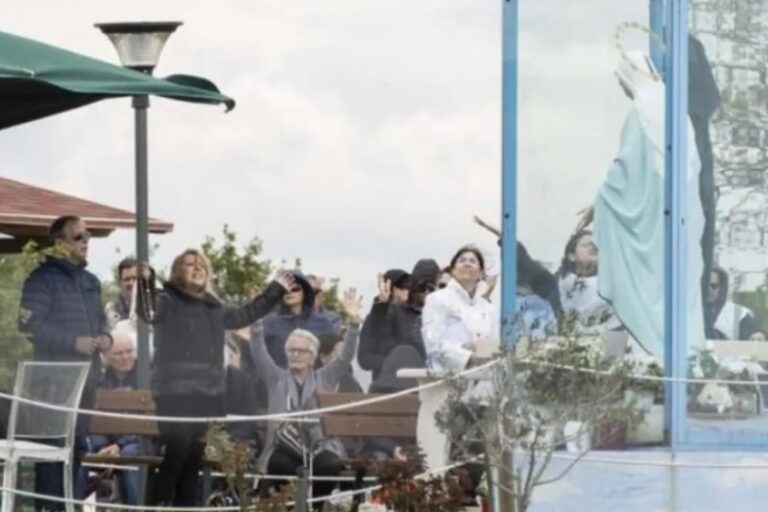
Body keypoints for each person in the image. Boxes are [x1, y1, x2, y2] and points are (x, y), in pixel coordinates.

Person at [135, 249, 294, 507]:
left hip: (207, 395)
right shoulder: (167, 299)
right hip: (174, 394)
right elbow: (147, 311)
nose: (198, 268)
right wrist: (145, 281)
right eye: (189, 264)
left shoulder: (214, 306)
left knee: (193, 459)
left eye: (201, 265)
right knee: (177, 452)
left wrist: (274, 290)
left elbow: (245, 314)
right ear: (177, 271)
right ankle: (155, 506)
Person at [585, 51, 705, 359]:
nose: (623, 89)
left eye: (621, 80)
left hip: (649, 222)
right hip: (678, 222)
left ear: (630, 73)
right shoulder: (679, 112)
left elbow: (625, 168)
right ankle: (679, 354)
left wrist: (600, 201)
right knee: (674, 293)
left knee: (647, 290)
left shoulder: (640, 110)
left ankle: (651, 354)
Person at [19, 215, 113, 510]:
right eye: (78, 237)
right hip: (52, 385)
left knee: (76, 453)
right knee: (51, 455)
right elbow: (27, 324)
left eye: (88, 236)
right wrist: (74, 342)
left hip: (86, 382)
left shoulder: (91, 282)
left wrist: (106, 339)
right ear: (60, 243)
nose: (86, 241)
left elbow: (102, 323)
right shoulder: (41, 278)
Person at [249, 289, 362, 503]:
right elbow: (258, 353)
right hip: (284, 446)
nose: (296, 355)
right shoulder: (275, 377)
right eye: (291, 350)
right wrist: (256, 319)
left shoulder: (325, 377)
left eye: (302, 351)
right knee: (280, 464)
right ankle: (290, 507)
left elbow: (346, 355)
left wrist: (354, 321)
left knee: (328, 464)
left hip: (320, 446)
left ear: (313, 356)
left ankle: (317, 506)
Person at [80, 331, 141, 505]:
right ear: (106, 356)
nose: (126, 357)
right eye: (119, 353)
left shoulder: (148, 377)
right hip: (108, 444)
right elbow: (94, 421)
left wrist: (119, 447)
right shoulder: (99, 382)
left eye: (129, 351)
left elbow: (152, 425)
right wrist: (105, 448)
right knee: (81, 451)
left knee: (130, 455)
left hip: (140, 442)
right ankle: (70, 505)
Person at [358, 259, 440, 379]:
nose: (427, 291)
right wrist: (400, 365)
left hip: (433, 386)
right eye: (421, 286)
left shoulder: (442, 316)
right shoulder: (385, 313)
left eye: (432, 287)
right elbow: (365, 359)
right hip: (393, 389)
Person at [422, 246, 495, 372]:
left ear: (481, 273)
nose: (467, 263)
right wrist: (468, 356)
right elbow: (433, 344)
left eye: (473, 261)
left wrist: (483, 349)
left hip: (484, 381)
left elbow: (495, 344)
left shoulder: (488, 308)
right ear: (453, 271)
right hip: (447, 380)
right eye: (462, 260)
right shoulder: (437, 299)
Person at [260, 271, 336, 368]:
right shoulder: (268, 323)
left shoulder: (323, 323)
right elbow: (256, 361)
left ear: (305, 291)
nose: (289, 292)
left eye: (295, 288)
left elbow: (335, 361)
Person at [557, 230, 620, 336]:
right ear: (572, 255)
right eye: (586, 245)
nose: (593, 247)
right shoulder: (560, 285)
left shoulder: (617, 281)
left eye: (597, 244)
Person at [705, 267, 763, 341]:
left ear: (722, 287)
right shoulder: (689, 314)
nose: (708, 289)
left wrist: (761, 334)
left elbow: (751, 345)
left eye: (713, 286)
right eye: (705, 285)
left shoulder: (740, 315)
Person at [105, 257, 138, 329]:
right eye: (127, 279)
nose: (131, 283)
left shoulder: (150, 308)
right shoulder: (111, 310)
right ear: (120, 282)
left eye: (135, 278)